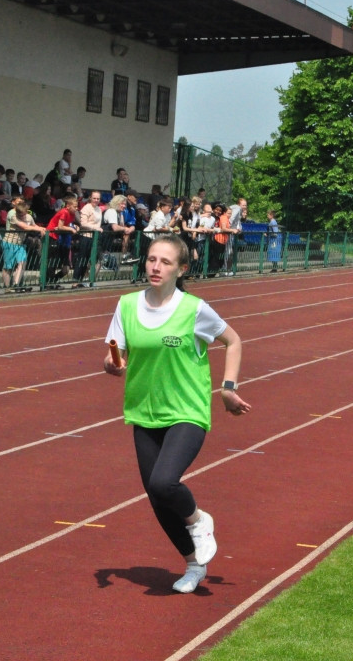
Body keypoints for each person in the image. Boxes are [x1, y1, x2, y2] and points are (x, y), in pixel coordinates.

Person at [102, 234, 251, 594]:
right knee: (158, 497)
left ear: (181, 269)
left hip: (187, 409)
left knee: (163, 482)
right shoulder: (126, 305)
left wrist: (228, 388)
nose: (155, 267)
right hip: (144, 410)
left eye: (165, 262)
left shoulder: (194, 309)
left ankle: (200, 521)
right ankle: (193, 563)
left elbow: (233, 340)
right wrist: (113, 363)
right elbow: (114, 350)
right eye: (152, 259)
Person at [1, 197, 45, 290]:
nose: (21, 217)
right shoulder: (12, 215)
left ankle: (16, 285)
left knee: (22, 262)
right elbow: (25, 227)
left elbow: (33, 225)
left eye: (23, 215)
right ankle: (7, 287)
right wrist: (38, 229)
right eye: (19, 215)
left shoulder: (29, 217)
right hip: (10, 242)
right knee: (8, 266)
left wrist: (42, 228)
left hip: (20, 243)